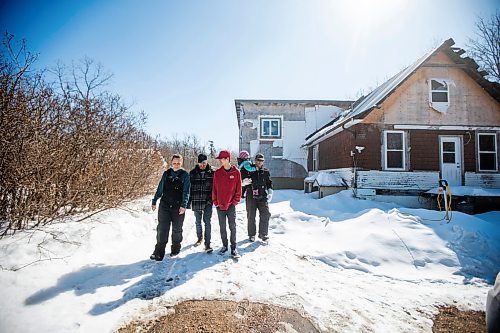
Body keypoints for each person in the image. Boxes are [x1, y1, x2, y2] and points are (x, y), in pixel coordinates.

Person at [150, 154, 191, 261]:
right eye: (174, 163)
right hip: (165, 205)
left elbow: (186, 192)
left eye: (178, 163)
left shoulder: (185, 175)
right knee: (162, 229)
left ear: (181, 163)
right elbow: (160, 188)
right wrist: (154, 200)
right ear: (171, 163)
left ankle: (175, 248)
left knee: (177, 229)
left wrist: (184, 205)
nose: (176, 165)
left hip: (178, 207)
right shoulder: (166, 174)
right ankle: (158, 252)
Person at [212, 150, 242, 258]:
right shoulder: (217, 173)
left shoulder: (236, 172)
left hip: (231, 205)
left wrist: (234, 202)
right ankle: (224, 246)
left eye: (222, 158)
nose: (220, 160)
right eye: (220, 159)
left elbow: (239, 190)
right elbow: (214, 189)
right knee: (222, 227)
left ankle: (233, 248)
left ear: (228, 159)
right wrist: (215, 202)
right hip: (220, 205)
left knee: (232, 226)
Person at [189, 153, 214, 253]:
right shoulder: (192, 173)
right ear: (198, 163)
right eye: (200, 163)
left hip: (208, 201)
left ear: (207, 162)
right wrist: (188, 201)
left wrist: (213, 199)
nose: (202, 165)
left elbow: (215, 188)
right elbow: (189, 188)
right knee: (198, 221)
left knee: (207, 222)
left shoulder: (212, 173)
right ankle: (200, 238)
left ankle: (207, 244)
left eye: (204, 163)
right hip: (196, 200)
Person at [246, 153, 273, 242]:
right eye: (258, 160)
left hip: (262, 197)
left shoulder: (265, 171)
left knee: (266, 214)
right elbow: (242, 179)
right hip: (251, 197)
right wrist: (244, 182)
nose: (259, 162)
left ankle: (263, 234)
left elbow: (269, 183)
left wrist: (270, 192)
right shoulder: (249, 170)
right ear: (255, 161)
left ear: (263, 161)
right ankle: (251, 235)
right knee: (251, 216)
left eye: (261, 160)